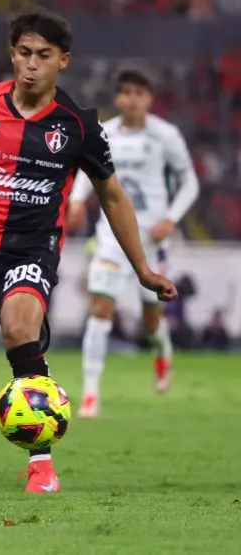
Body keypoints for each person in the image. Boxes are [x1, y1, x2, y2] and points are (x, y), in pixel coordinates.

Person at [0, 10, 177, 493]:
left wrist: (142, 268)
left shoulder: (79, 126)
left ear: (63, 60)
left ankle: (41, 465)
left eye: (43, 55)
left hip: (29, 255)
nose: (32, 64)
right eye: (24, 53)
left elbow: (112, 196)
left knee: (20, 328)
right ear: (12, 54)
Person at [66, 70, 198, 416]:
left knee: (151, 320)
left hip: (152, 239)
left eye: (139, 92)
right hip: (111, 236)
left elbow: (189, 183)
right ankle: (90, 394)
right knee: (100, 308)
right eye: (125, 92)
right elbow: (88, 171)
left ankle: (162, 352)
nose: (131, 99)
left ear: (149, 98)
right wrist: (77, 201)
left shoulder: (165, 135)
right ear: (117, 98)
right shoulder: (105, 133)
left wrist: (171, 218)